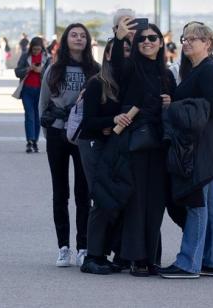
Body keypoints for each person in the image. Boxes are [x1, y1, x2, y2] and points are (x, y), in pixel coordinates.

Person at [160, 22, 213, 279]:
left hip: (200, 146)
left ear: (208, 44)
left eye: (194, 39)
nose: (187, 42)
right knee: (211, 205)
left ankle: (189, 262)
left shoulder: (209, 71)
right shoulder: (198, 70)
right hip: (204, 144)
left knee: (196, 204)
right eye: (185, 38)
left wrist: (173, 106)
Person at [111, 17, 177, 276]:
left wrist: (171, 102)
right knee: (136, 201)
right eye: (142, 39)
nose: (147, 42)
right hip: (136, 143)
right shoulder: (131, 68)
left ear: (161, 43)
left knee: (155, 203)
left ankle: (151, 257)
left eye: (152, 38)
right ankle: (135, 257)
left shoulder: (166, 74)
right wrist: (119, 39)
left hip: (159, 145)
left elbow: (177, 105)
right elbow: (116, 67)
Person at [39, 23, 100, 268]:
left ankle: (83, 246)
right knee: (60, 191)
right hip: (57, 132)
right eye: (73, 35)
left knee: (83, 192)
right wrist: (48, 132)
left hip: (83, 135)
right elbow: (43, 103)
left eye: (82, 35)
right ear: (65, 40)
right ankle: (63, 247)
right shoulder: (53, 69)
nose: (78, 39)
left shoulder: (95, 70)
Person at [78, 38, 128, 275]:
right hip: (92, 144)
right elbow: (88, 122)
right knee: (100, 197)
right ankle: (92, 256)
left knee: (113, 199)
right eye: (119, 50)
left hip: (110, 145)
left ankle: (104, 252)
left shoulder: (124, 83)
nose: (124, 54)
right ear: (107, 55)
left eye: (128, 50)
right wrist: (111, 121)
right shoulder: (97, 83)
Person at [14, 36, 49, 153]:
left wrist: (41, 71)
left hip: (40, 90)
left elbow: (52, 74)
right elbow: (17, 72)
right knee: (29, 115)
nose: (36, 52)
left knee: (37, 116)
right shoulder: (25, 56)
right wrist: (28, 69)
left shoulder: (47, 57)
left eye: (38, 49)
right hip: (27, 90)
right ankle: (29, 140)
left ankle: (35, 141)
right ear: (31, 48)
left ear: (42, 48)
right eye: (34, 49)